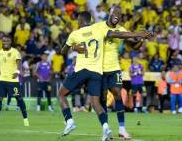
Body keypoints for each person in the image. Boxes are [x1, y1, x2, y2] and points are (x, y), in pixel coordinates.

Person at [59, 10, 151, 141]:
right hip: (99, 69)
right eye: (115, 14)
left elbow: (133, 46)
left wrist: (141, 39)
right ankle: (105, 131)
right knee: (101, 99)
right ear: (109, 15)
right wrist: (74, 48)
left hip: (114, 68)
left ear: (120, 19)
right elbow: (101, 36)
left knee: (117, 93)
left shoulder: (122, 29)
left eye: (119, 16)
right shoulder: (98, 27)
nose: (117, 17)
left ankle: (122, 128)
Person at [0, 34, 29, 127]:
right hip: (2, 80)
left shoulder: (15, 52)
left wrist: (17, 71)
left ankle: (25, 118)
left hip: (13, 81)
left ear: (10, 41)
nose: (5, 42)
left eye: (7, 40)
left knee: (19, 99)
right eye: (4, 41)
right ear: (2, 42)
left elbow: (19, 63)